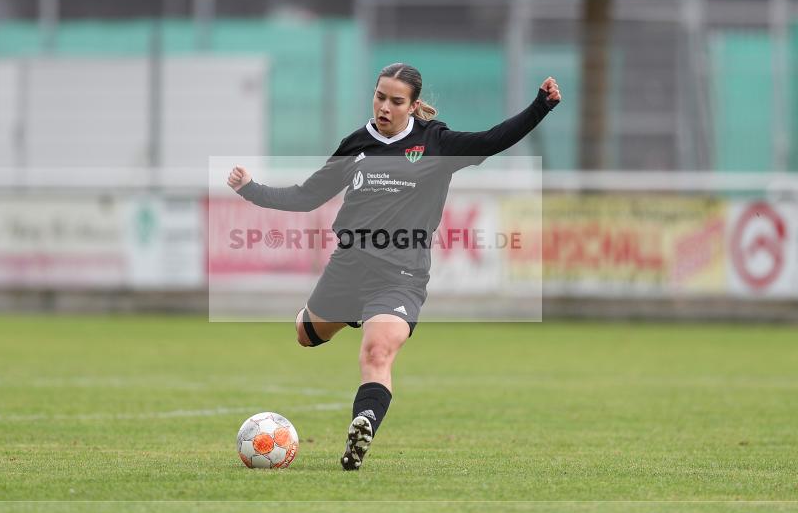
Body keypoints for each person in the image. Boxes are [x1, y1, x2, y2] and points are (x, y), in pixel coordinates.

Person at [228, 63, 561, 470]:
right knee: (305, 335)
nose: (385, 107)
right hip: (348, 268)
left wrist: (539, 107)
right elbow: (307, 196)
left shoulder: (435, 144)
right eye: (380, 96)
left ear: (413, 105)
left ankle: (363, 424)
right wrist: (251, 189)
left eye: (396, 101)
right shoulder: (356, 145)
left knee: (377, 351)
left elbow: (493, 139)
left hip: (400, 274)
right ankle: (341, 319)